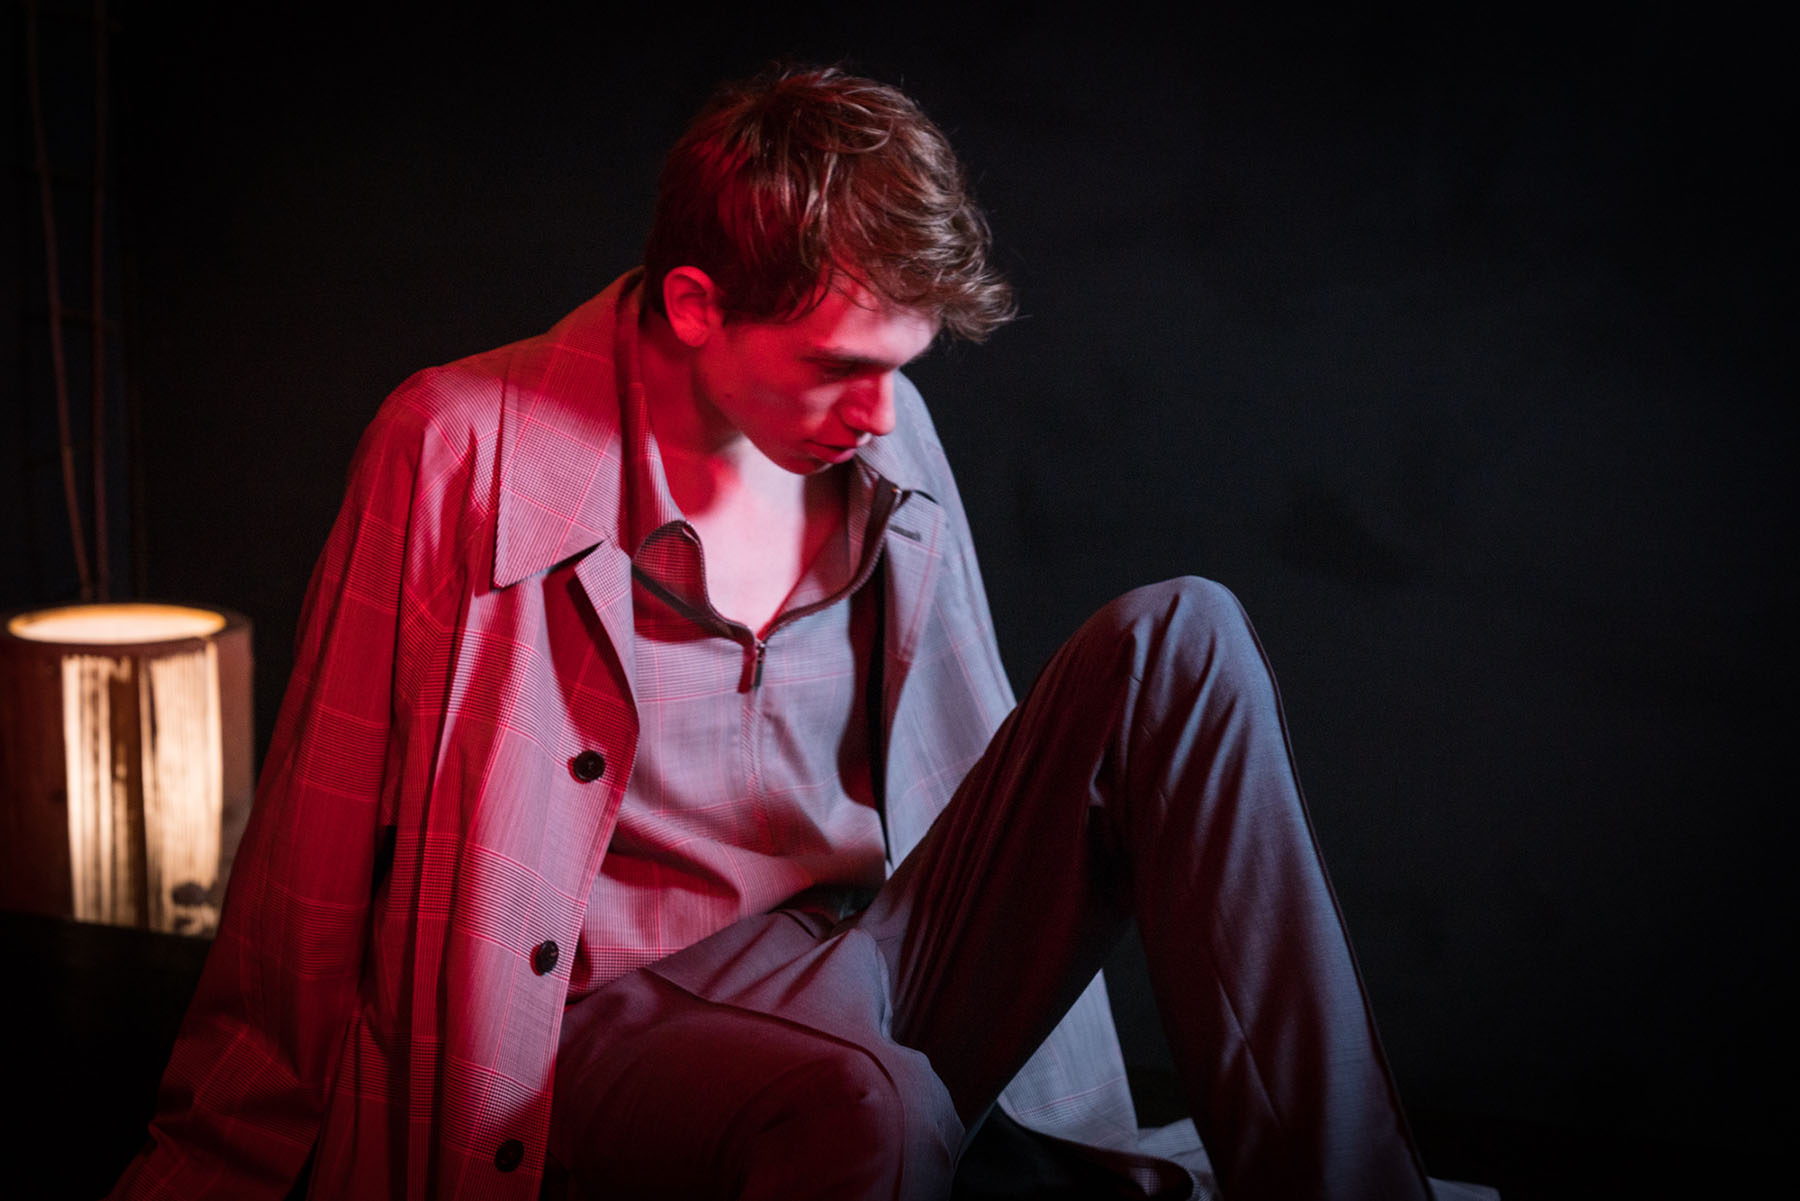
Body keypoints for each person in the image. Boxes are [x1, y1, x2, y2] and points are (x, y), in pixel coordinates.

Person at [111, 66, 1490, 1201]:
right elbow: (310, 850)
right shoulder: (458, 444)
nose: (880, 413)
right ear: (695, 304)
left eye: (901, 368)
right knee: (864, 1106)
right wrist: (213, 1161)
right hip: (610, 1019)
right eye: (840, 366)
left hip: (873, 950)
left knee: (1185, 635)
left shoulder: (883, 433)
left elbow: (971, 735)